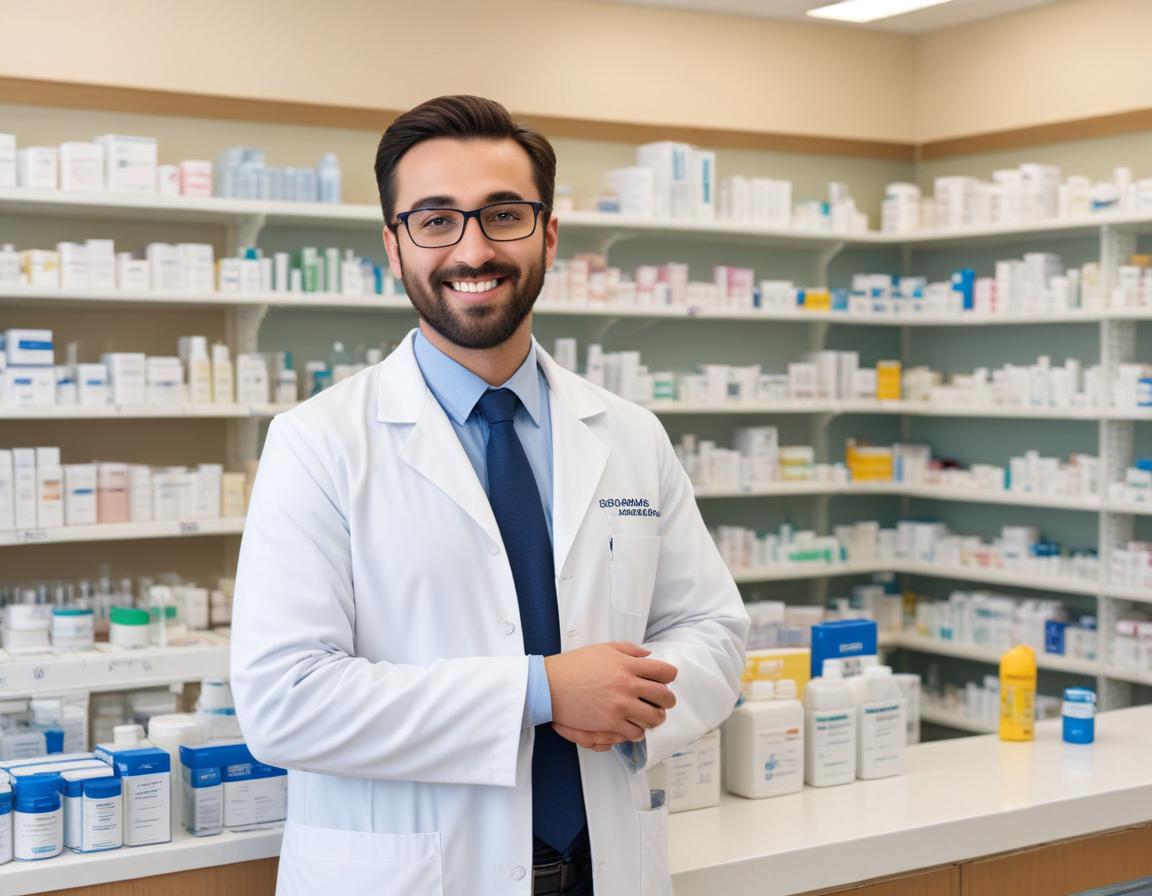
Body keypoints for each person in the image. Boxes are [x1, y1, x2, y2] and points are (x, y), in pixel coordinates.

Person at [231, 94, 748, 896]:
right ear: (393, 248)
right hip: (418, 874)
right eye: (435, 220)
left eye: (502, 214)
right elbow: (285, 700)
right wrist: (541, 691)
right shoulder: (318, 443)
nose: (473, 248)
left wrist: (629, 701)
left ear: (547, 234)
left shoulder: (629, 434)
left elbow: (711, 629)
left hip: (603, 867)